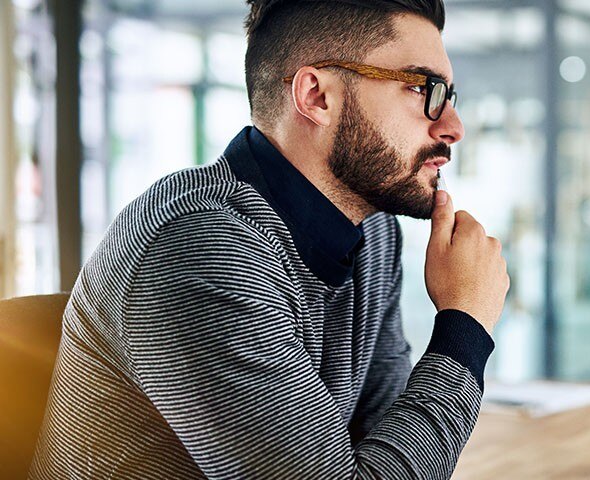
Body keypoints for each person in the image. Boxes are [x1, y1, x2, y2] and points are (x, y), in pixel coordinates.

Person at [30, 0, 509, 478]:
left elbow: (389, 448)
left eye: (449, 95)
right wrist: (464, 323)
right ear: (317, 97)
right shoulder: (200, 242)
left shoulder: (374, 231)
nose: (453, 127)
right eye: (423, 88)